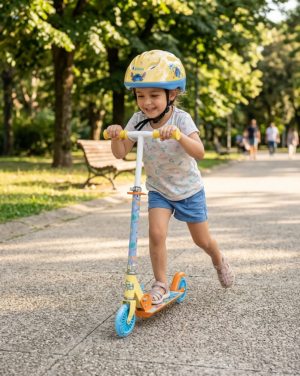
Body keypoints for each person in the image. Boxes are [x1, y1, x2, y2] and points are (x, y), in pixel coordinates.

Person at [106, 50, 235, 305]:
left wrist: (178, 135)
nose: (147, 102)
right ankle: (161, 284)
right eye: (140, 95)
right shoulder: (138, 121)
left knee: (202, 240)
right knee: (156, 234)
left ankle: (218, 259)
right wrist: (116, 136)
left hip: (189, 190)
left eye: (154, 95)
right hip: (158, 190)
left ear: (172, 94)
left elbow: (199, 152)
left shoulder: (181, 119)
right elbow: (121, 153)